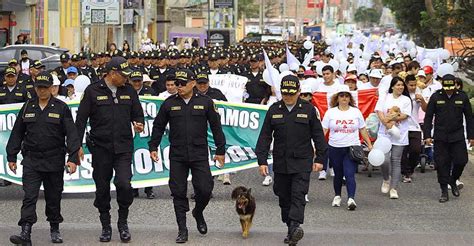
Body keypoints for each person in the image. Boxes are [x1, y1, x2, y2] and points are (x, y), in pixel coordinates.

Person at [148, 69, 226, 243]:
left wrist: (220, 151)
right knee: (178, 192)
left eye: (183, 83)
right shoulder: (169, 103)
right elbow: (158, 126)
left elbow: (216, 127)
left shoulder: (206, 102)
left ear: (193, 83)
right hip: (177, 154)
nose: (179, 87)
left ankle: (198, 212)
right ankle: (182, 229)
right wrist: (153, 146)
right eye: (177, 83)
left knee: (205, 189)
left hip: (199, 153)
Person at [75, 57, 145, 243]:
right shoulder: (92, 91)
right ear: (112, 74)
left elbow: (138, 113)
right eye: (124, 75)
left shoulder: (129, 91)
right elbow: (81, 120)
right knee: (102, 188)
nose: (127, 79)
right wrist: (76, 147)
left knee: (124, 184)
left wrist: (139, 124)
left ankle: (123, 222)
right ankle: (105, 225)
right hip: (101, 148)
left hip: (123, 148)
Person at [6, 72, 81, 245]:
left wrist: (72, 158)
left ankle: (54, 227)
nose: (42, 91)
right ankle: (25, 232)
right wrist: (11, 155)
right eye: (39, 87)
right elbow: (17, 133)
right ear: (35, 88)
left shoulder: (61, 107)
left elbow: (71, 134)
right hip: (32, 160)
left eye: (45, 87)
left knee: (53, 198)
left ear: (51, 88)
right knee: (29, 196)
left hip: (54, 160)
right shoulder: (27, 107)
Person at [256, 75, 327, 245]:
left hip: (302, 161)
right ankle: (290, 227)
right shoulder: (274, 109)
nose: (288, 96)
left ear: (299, 92)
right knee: (283, 195)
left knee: (298, 194)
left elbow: (318, 136)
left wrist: (320, 158)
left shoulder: (308, 110)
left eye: (291, 93)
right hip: (281, 161)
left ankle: (295, 226)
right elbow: (265, 136)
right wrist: (262, 161)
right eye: (285, 93)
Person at [423, 74, 474, 203]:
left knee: (461, 160)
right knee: (441, 164)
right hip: (440, 136)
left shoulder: (462, 97)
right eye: (447, 87)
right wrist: (427, 135)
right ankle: (444, 190)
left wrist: (471, 136)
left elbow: (469, 118)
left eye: (451, 87)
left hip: (457, 136)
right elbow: (428, 117)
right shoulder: (436, 96)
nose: (449, 90)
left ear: (455, 84)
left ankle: (453, 179)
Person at [322, 87, 372, 210]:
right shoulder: (330, 112)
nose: (344, 98)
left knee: (349, 174)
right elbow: (324, 130)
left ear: (350, 98)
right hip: (335, 147)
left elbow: (362, 129)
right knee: (338, 174)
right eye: (341, 96)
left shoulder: (356, 112)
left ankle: (351, 199)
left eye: (347, 96)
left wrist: (369, 144)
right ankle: (337, 196)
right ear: (337, 98)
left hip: (352, 147)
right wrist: (317, 145)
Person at [375, 76, 411, 199]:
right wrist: (386, 123)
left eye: (402, 85)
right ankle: (386, 179)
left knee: (396, 161)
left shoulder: (406, 99)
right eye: (398, 85)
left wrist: (391, 119)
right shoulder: (385, 97)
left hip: (399, 133)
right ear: (392, 86)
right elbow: (379, 111)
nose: (400, 87)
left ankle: (394, 188)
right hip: (384, 133)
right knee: (384, 159)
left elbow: (405, 115)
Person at [401, 75, 427, 183]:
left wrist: (422, 100)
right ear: (406, 84)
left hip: (415, 127)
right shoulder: (401, 95)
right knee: (403, 151)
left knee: (416, 150)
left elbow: (425, 109)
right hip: (403, 127)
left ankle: (411, 169)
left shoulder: (418, 94)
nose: (412, 87)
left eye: (414, 85)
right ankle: (405, 173)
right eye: (410, 85)